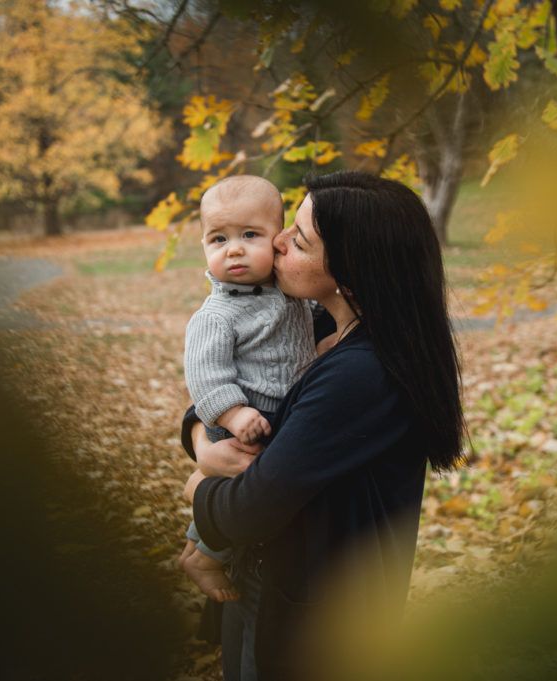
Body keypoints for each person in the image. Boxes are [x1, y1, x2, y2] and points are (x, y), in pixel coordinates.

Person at [182, 171, 466, 680]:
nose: (278, 241)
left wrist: (199, 489)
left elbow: (251, 509)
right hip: (282, 590)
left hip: (308, 623)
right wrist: (202, 438)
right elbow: (237, 380)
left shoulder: (361, 373)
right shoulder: (322, 326)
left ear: (350, 273)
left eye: (301, 239)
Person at [179, 175, 317, 603]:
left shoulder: (289, 292)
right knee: (240, 490)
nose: (233, 249)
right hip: (243, 418)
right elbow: (205, 376)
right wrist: (232, 415)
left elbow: (308, 327)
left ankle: (203, 548)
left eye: (250, 235)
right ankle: (205, 554)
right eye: (217, 239)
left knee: (247, 493)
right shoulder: (216, 315)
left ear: (279, 240)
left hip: (277, 414)